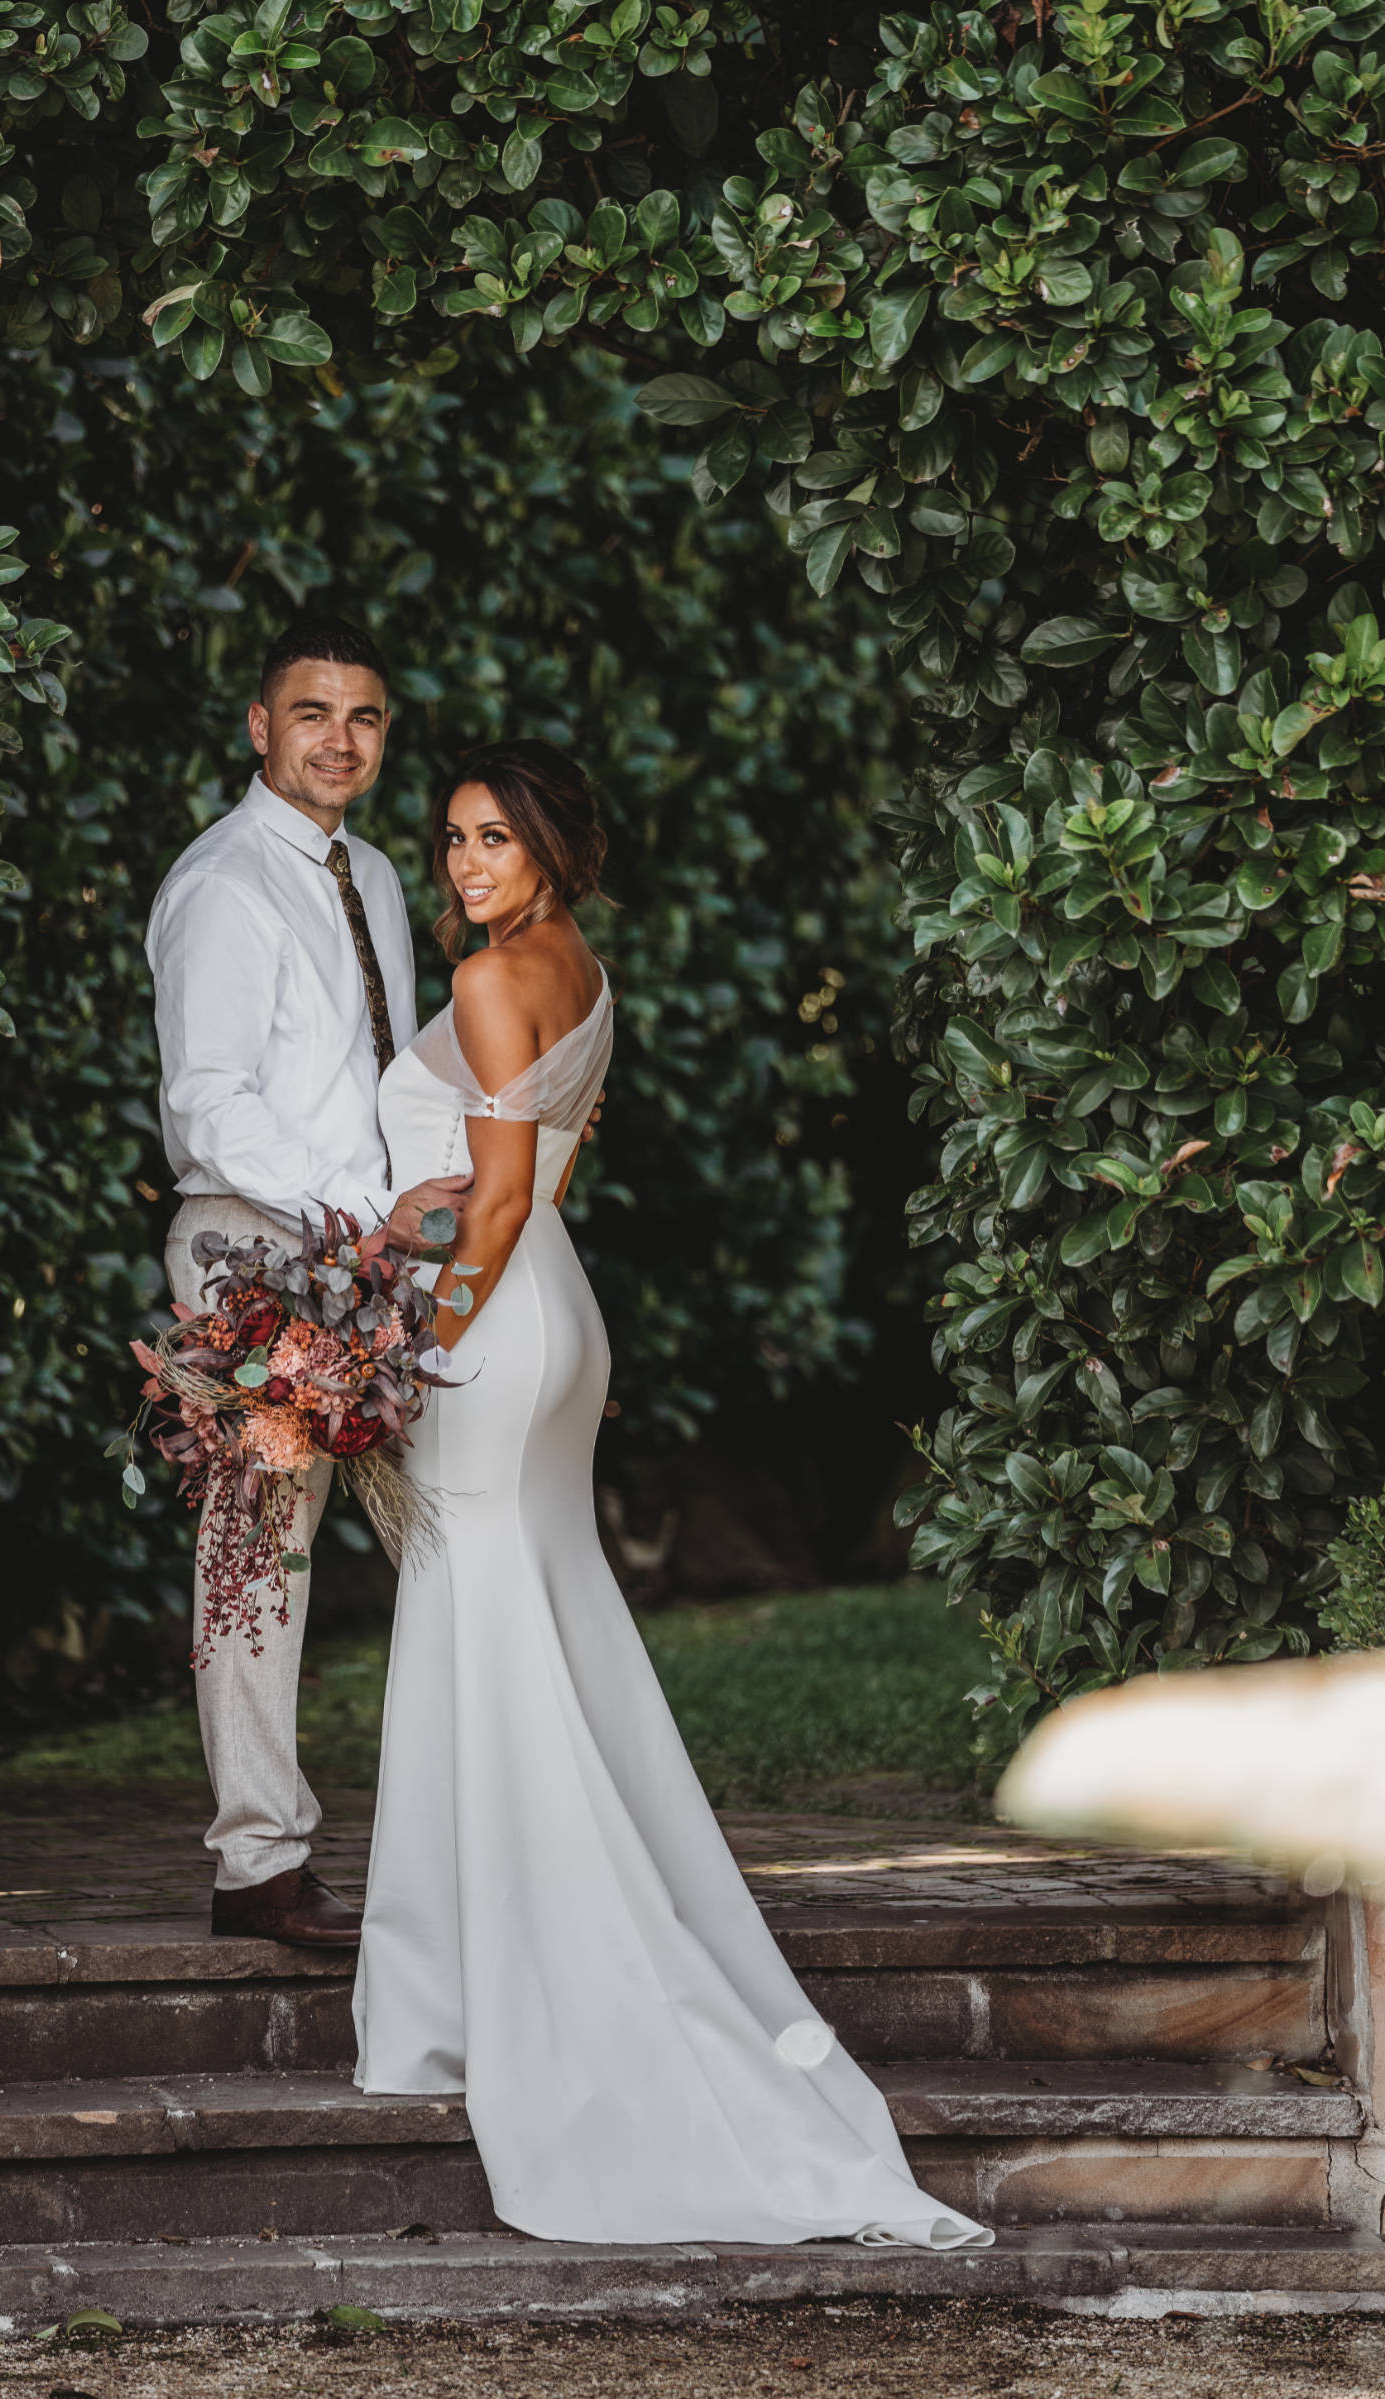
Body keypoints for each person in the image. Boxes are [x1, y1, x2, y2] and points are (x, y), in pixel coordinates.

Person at [353, 739, 991, 2249]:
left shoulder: (498, 981)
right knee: (540, 1628)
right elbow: (531, 1185)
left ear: (554, 849)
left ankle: (492, 1983)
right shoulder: (579, 971)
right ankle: (465, 1972)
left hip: (493, 1332)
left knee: (487, 1642)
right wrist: (427, 1223)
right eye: (451, 841)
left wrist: (406, 1357)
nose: (465, 866)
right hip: (557, 1325)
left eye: (494, 840)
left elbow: (500, 1204)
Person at [145, 615, 470, 1948]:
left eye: (367, 718)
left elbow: (380, 1074)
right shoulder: (225, 884)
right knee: (256, 1564)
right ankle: (258, 1869)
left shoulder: (379, 875)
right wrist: (357, 1219)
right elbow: (207, 1103)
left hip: (365, 1264)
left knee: (450, 1535)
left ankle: (479, 1823)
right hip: (253, 1259)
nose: (341, 739)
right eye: (313, 713)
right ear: (258, 728)